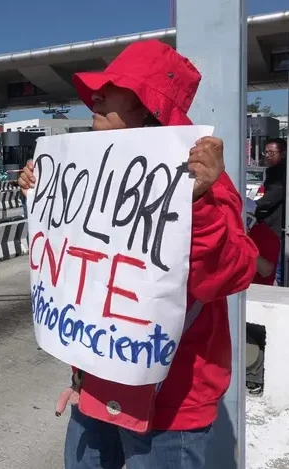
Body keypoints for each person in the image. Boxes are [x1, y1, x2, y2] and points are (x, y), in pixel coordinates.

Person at [18, 39, 258, 469]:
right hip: (95, 381)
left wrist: (199, 204)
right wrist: (40, 193)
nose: (96, 95)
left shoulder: (203, 179)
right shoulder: (83, 170)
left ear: (150, 106)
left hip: (170, 407)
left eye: (112, 87)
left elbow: (230, 276)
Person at [244, 197, 281, 396]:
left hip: (257, 296)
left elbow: (266, 270)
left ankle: (253, 374)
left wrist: (241, 244)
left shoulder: (265, 237)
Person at [254, 138, 286, 239]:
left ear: (283, 154)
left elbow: (270, 199)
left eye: (271, 152)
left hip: (277, 228)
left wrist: (251, 206)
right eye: (266, 152)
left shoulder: (282, 174)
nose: (267, 156)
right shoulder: (273, 171)